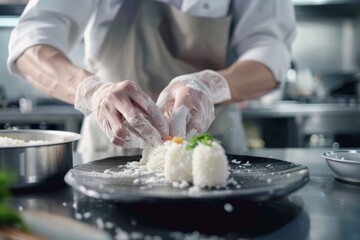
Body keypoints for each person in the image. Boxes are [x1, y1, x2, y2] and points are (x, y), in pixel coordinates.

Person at [7, 0, 296, 162]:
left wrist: (209, 85)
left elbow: (272, 54)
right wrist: (93, 92)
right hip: (108, 148)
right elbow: (29, 44)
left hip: (211, 150)